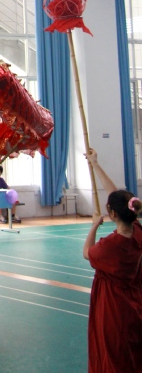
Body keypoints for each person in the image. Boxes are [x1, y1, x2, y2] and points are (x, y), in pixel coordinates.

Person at [83, 148, 142, 373]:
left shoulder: (110, 246)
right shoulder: (137, 231)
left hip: (112, 308)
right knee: (132, 355)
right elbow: (116, 194)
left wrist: (94, 226)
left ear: (113, 214)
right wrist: (95, 164)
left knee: (112, 357)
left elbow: (87, 252)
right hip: (135, 303)